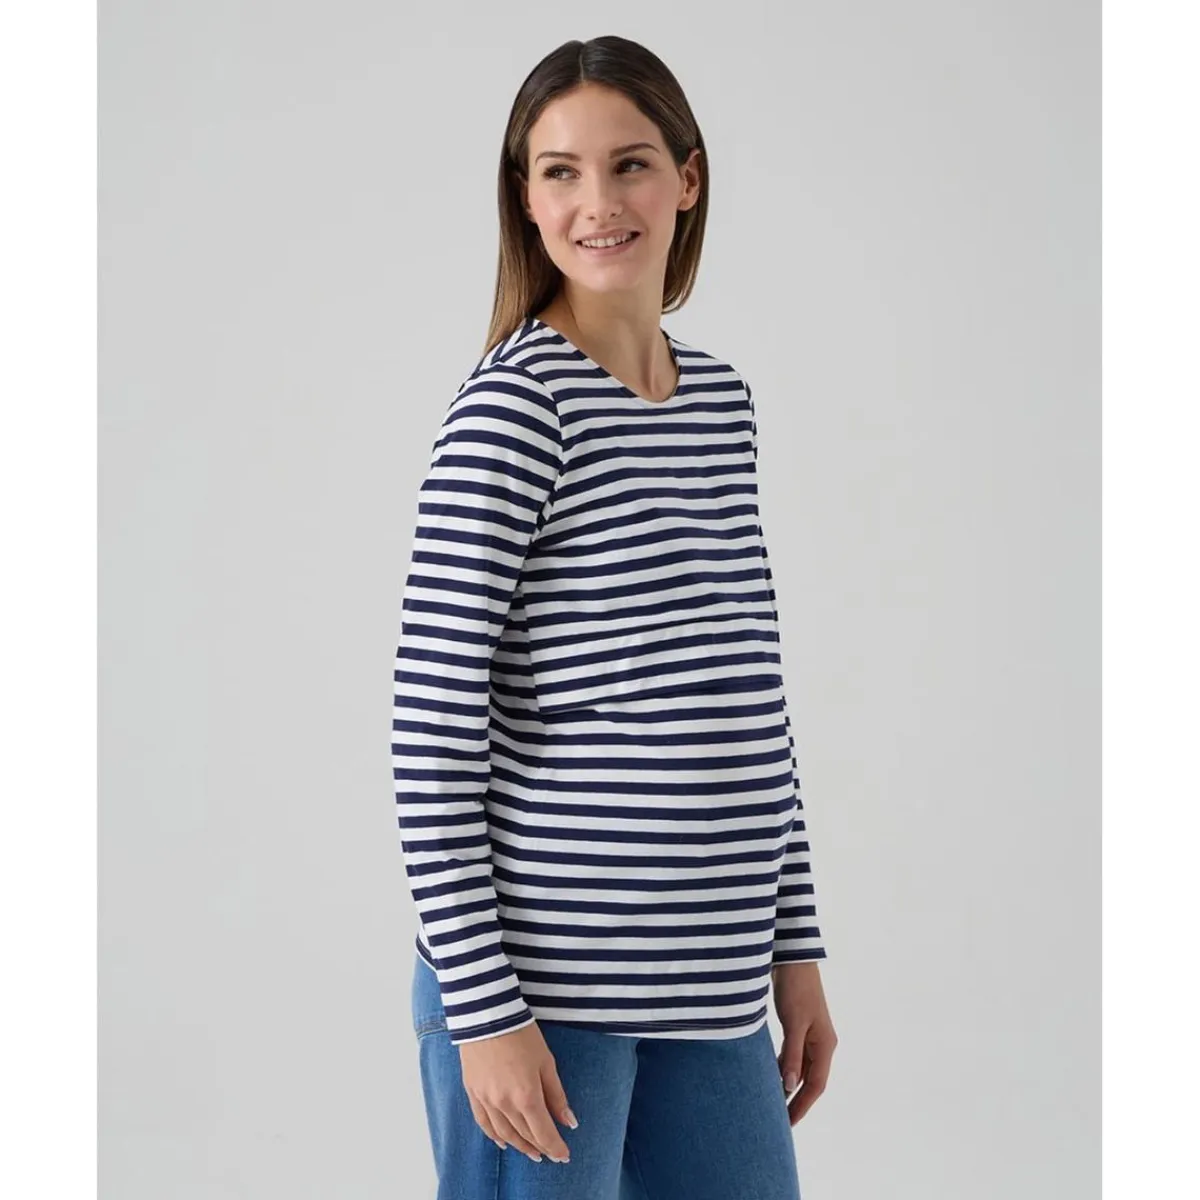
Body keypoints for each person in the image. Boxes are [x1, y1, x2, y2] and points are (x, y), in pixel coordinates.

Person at [391, 34, 838, 1200]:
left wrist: (794, 951)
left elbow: (749, 698)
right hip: (544, 1000)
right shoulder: (515, 410)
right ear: (525, 197)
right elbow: (432, 729)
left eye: (630, 164)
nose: (599, 201)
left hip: (713, 989)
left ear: (687, 178)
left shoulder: (721, 404)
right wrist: (485, 1012)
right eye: (562, 172)